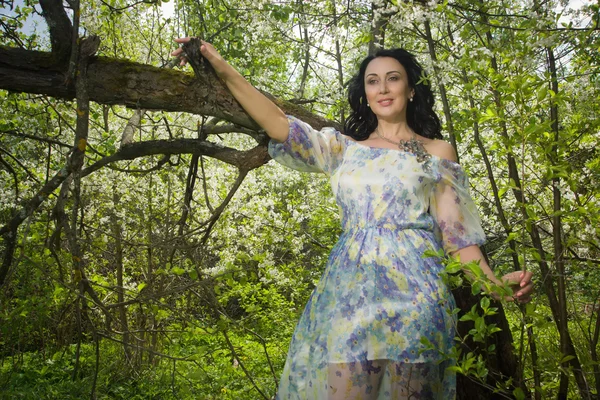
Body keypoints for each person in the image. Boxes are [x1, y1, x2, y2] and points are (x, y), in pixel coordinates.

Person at [172, 38, 533, 400]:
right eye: (372, 81)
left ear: (410, 89)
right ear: (365, 94)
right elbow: (278, 123)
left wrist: (496, 286)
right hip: (348, 294)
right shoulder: (344, 150)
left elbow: (456, 237)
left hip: (417, 298)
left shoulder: (436, 152)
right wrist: (219, 63)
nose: (383, 88)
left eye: (393, 78)